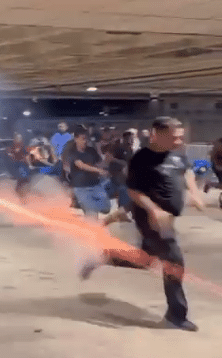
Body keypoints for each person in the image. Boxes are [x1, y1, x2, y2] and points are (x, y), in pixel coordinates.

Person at [80, 117, 205, 332]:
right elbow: (134, 192)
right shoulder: (142, 159)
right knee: (174, 261)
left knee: (147, 259)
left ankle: (105, 256)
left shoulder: (178, 153)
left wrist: (194, 193)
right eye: (174, 137)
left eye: (180, 137)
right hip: (150, 218)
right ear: (158, 134)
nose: (179, 141)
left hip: (167, 218)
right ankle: (176, 315)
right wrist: (154, 210)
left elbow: (187, 171)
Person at [66, 125, 110, 218]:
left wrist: (107, 161)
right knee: (92, 214)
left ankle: (84, 205)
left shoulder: (91, 150)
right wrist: (98, 170)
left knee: (106, 208)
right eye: (83, 139)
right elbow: (81, 165)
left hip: (95, 185)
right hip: (81, 188)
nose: (85, 141)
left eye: (87, 139)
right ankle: (84, 206)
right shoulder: (72, 152)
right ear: (76, 139)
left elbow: (100, 163)